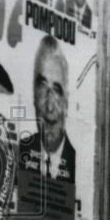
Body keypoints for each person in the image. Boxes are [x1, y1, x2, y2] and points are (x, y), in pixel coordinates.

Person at [19, 36, 76, 183]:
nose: (49, 106)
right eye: (43, 87)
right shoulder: (19, 152)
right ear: (33, 94)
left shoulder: (78, 163)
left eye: (57, 91)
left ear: (66, 102)